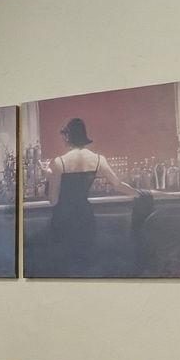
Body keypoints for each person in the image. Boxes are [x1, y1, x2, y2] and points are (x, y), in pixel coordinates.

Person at [43, 117, 137, 275]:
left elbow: (53, 201)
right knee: (84, 265)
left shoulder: (59, 163)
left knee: (63, 268)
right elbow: (118, 185)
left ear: (67, 137)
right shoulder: (99, 159)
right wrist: (138, 193)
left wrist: (49, 176)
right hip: (84, 217)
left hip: (63, 218)